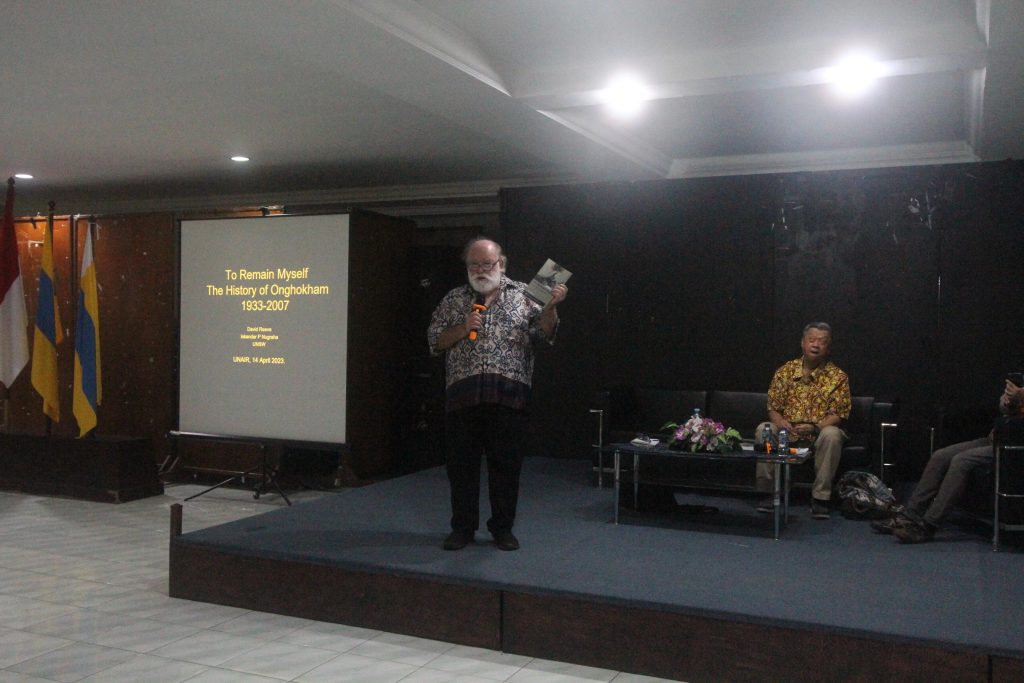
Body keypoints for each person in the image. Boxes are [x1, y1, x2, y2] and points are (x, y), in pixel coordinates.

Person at [427, 237, 567, 551]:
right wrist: (463, 329)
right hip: (463, 400)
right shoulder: (453, 299)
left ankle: (502, 529)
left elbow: (545, 335)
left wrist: (552, 308)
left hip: (510, 398)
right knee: (461, 470)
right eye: (473, 264)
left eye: (486, 263)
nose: (479, 269)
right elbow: (435, 341)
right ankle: (462, 528)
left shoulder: (528, 294)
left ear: (500, 263)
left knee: (506, 469)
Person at [875, 377, 1024, 543]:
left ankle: (927, 526)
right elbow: (1005, 410)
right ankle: (910, 516)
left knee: (962, 461)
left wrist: (1021, 396)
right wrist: (1008, 402)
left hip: (1016, 444)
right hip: (999, 437)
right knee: (940, 456)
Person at [755, 322, 852, 519]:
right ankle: (768, 492)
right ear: (803, 343)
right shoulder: (785, 371)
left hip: (819, 432)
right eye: (812, 340)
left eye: (822, 342)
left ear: (829, 347)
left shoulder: (838, 376)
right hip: (786, 430)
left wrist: (815, 427)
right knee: (764, 428)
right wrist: (780, 421)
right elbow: (773, 407)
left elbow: (839, 413)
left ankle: (820, 498)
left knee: (832, 434)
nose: (816, 345)